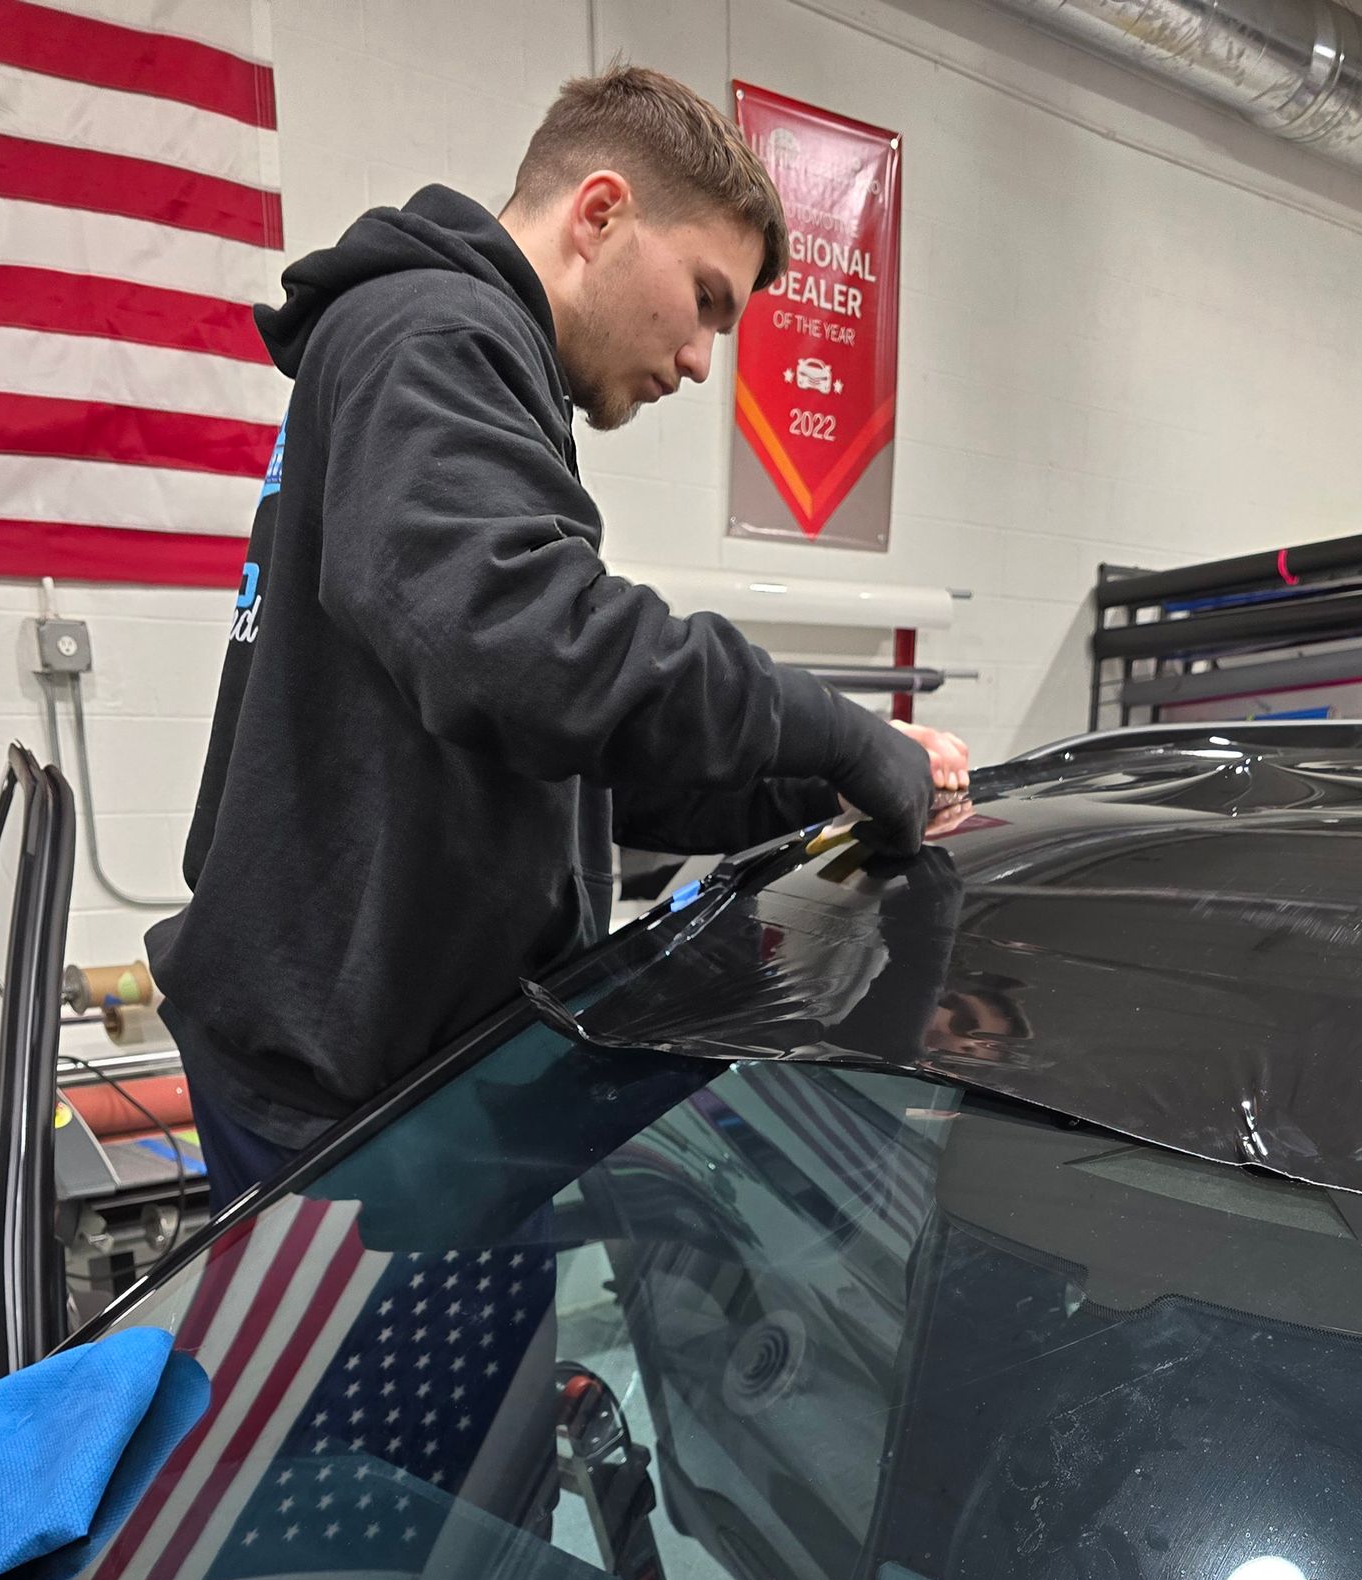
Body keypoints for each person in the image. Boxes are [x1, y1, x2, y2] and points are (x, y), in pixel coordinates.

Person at [147, 65, 969, 1211]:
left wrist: (807, 792)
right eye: (705, 300)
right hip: (342, 1101)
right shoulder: (430, 333)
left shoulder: (469, 363)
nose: (698, 360)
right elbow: (520, 645)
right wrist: (834, 731)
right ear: (600, 214)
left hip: (400, 1076)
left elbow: (559, 761)